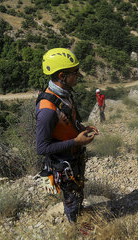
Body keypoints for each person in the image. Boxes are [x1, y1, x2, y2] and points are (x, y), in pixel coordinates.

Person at [36, 48, 99, 223]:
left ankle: (77, 216)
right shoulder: (47, 109)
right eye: (75, 72)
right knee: (71, 198)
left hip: (73, 157)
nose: (78, 75)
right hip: (63, 163)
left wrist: (82, 127)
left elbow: (68, 121)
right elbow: (41, 148)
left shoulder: (64, 95)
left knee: (78, 192)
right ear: (62, 75)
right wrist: (76, 141)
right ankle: (74, 227)